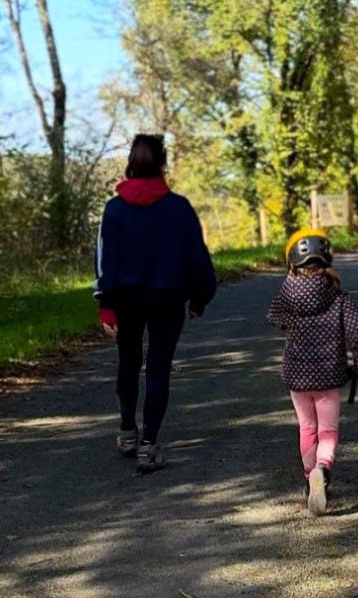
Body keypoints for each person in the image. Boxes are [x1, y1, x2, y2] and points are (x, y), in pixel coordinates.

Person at [94, 134, 216, 473]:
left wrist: (106, 305)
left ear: (130, 163)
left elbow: (105, 263)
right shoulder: (179, 208)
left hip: (126, 299)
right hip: (167, 298)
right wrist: (199, 297)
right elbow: (196, 257)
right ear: (163, 164)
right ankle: (149, 445)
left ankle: (127, 432)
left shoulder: (114, 209)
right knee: (159, 368)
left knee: (128, 363)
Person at [267, 229, 358, 516]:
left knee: (307, 428)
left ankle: (308, 474)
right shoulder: (338, 297)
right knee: (328, 430)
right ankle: (323, 468)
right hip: (328, 376)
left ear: (292, 265)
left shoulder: (287, 294)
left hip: (297, 377)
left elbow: (272, 316)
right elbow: (357, 330)